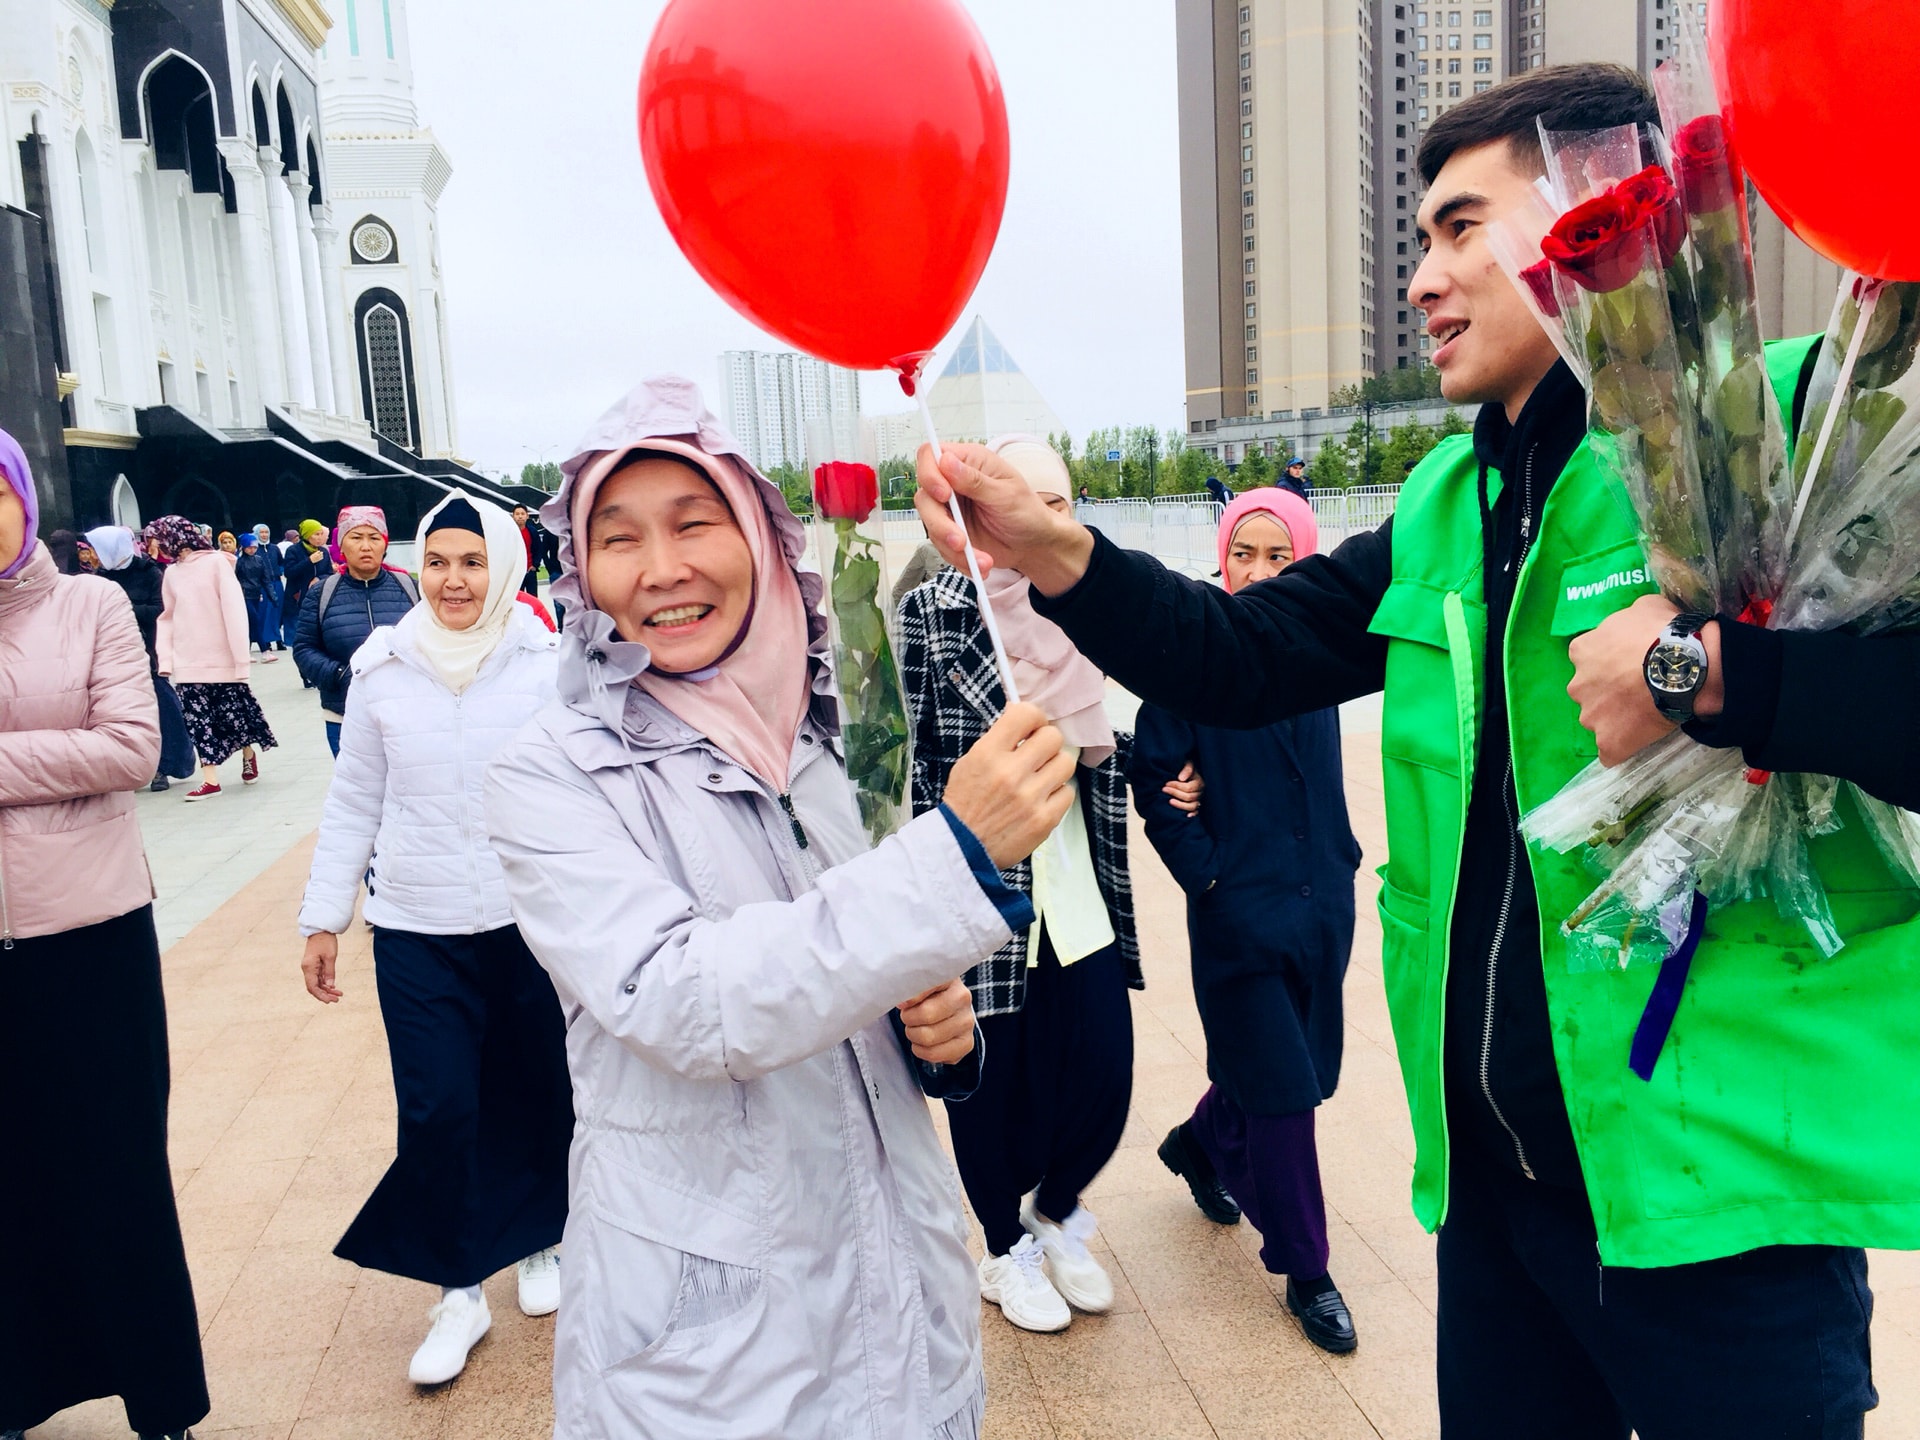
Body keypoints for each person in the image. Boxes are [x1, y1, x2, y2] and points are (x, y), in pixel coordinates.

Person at [913, 63, 1915, 1440]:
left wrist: (1708, 672)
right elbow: (1237, 654)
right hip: (1498, 1201)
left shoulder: (1764, 423)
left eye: (1460, 229)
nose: (1422, 279)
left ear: (1594, 206)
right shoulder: (1450, 501)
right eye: (1419, 239)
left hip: (1726, 1209)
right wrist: (1054, 549)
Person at [483, 377, 1074, 1440]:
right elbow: (685, 1001)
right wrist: (954, 856)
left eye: (693, 523)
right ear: (580, 567)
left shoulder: (830, 731)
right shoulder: (553, 774)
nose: (661, 569)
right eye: (618, 538)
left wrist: (940, 1039)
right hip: (714, 1366)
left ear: (759, 534)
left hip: (905, 1309)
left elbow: (863, 963)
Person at [298, 492, 572, 1386]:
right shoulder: (383, 668)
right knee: (438, 1105)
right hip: (417, 925)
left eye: (473, 562)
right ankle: (458, 1290)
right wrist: (324, 916)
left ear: (507, 566)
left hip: (526, 924)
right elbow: (354, 799)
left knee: (536, 1088)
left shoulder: (546, 665)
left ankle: (542, 1241)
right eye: (440, 562)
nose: (454, 581)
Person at [897, 434, 1140, 1336]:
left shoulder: (1092, 607)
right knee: (991, 1092)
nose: (1038, 519)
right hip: (984, 893)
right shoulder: (930, 614)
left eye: (1058, 503)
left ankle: (1057, 1209)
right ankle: (1005, 1247)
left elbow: (1124, 732)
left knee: (1104, 1080)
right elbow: (904, 756)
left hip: (1078, 889)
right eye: (1018, 500)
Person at [0, 431, 209, 1440]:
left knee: (115, 1170)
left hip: (90, 937)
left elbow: (129, 747)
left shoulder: (89, 606)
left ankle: (161, 1400)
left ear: (23, 498)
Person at [1127, 488, 1363, 1354]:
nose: (1258, 573)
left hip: (1320, 902)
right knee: (1286, 1095)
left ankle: (1198, 1145)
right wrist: (1211, 876)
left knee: (1295, 1070)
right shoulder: (1194, 658)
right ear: (1221, 559)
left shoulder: (1326, 644)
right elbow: (1157, 785)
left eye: (1279, 557)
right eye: (1243, 555)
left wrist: (1343, 858)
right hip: (1238, 917)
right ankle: (1307, 1269)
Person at [152, 515, 276, 800]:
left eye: (160, 538)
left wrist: (240, 659)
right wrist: (166, 660)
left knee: (234, 716)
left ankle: (248, 753)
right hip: (187, 660)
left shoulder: (217, 563)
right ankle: (211, 780)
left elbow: (234, 610)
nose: (157, 545)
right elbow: (167, 617)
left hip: (221, 656)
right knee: (198, 720)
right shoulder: (171, 573)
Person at [293, 507, 418, 756]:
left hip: (408, 714)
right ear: (341, 544)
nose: (366, 546)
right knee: (356, 781)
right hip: (344, 715)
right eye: (356, 537)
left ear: (384, 544)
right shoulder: (322, 594)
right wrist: (341, 675)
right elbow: (304, 648)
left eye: (374, 538)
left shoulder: (410, 588)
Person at [84, 525, 196, 791]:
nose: (94, 555)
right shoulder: (100, 577)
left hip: (147, 651)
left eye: (97, 549)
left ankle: (165, 765)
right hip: (111, 653)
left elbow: (161, 609)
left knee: (162, 707)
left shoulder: (149, 572)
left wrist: (123, 609)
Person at [281, 519, 334, 676]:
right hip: (298, 597)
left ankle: (316, 672)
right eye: (315, 534)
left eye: (321, 534)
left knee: (318, 638)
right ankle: (304, 673)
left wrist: (319, 578)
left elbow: (328, 573)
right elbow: (289, 573)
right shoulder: (294, 551)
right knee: (301, 640)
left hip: (318, 597)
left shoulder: (324, 552)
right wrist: (309, 561)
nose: (319, 537)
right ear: (307, 535)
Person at [234, 532, 279, 662]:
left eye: (254, 547)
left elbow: (265, 580)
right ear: (243, 547)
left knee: (252, 623)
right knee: (255, 622)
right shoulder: (238, 562)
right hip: (244, 596)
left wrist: (273, 596)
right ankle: (264, 651)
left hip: (256, 595)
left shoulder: (259, 560)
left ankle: (246, 652)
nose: (252, 550)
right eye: (249, 547)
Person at [253, 523, 287, 651]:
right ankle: (266, 641)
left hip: (276, 583)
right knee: (265, 613)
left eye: (266, 532)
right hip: (262, 585)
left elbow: (281, 563)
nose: (264, 535)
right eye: (261, 532)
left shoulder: (274, 548)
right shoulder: (254, 549)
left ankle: (278, 639)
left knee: (278, 611)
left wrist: (279, 571)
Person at [510, 504, 539, 595]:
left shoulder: (532, 532)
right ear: (513, 516)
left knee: (533, 598)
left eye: (522, 514)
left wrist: (535, 565)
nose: (520, 516)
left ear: (527, 516)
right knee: (517, 598)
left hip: (530, 570)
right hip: (515, 573)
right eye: (517, 514)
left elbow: (538, 550)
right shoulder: (509, 532)